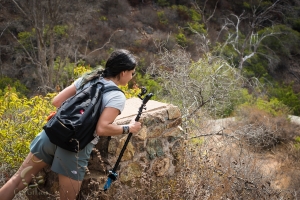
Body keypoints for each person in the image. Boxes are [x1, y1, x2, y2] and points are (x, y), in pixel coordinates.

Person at [0, 49, 142, 200]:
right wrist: (129, 128)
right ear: (123, 72)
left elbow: (56, 101)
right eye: (132, 73)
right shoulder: (117, 96)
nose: (132, 77)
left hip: (52, 134)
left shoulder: (89, 77)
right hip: (73, 149)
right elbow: (102, 128)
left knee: (17, 181)